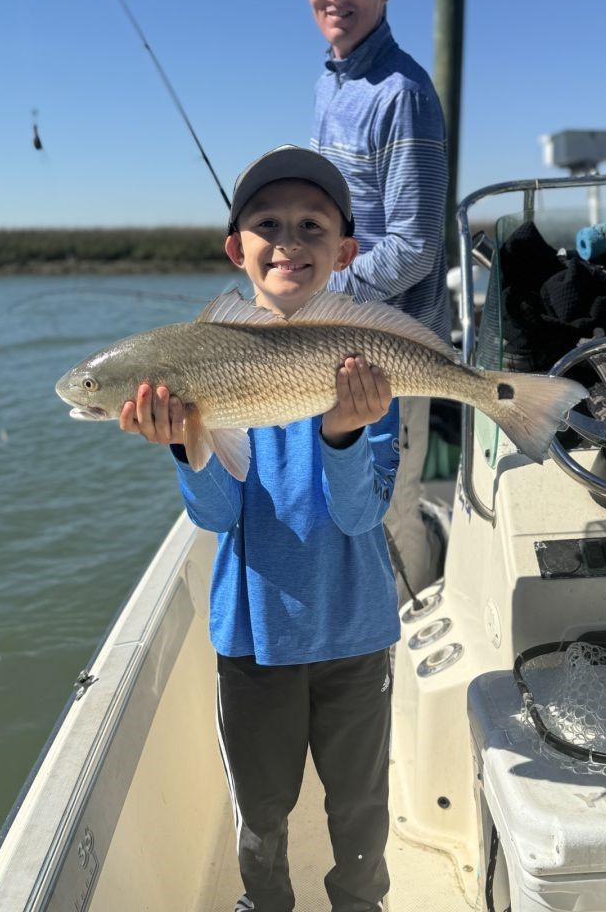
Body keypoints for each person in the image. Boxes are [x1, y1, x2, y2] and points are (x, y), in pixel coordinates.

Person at [119, 145, 401, 912]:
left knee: (360, 808)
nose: (288, 240)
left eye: (312, 225)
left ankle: (360, 903)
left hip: (355, 631)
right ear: (235, 247)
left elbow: (361, 513)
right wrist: (187, 441)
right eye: (267, 223)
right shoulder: (197, 361)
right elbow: (213, 514)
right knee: (262, 813)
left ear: (344, 252)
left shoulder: (364, 367)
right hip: (255, 637)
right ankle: (264, 903)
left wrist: (345, 432)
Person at [306, 0, 451, 601]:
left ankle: (412, 628)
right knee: (345, 496)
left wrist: (320, 291)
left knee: (392, 503)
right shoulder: (328, 82)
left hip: (393, 350)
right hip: (329, 344)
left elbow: (415, 248)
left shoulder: (404, 93)